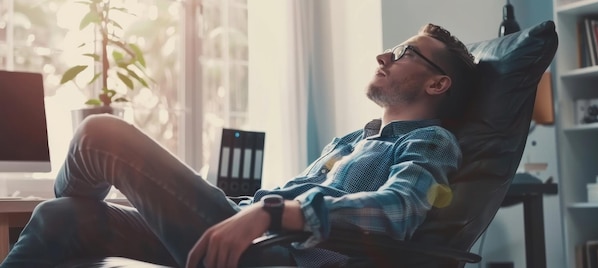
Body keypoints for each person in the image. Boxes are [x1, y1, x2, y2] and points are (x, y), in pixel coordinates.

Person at [0, 22, 476, 268]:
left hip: (278, 257)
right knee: (60, 217)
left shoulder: (430, 141)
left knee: (98, 134)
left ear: (438, 85)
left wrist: (270, 212)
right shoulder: (354, 139)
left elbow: (398, 211)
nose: (384, 55)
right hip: (249, 232)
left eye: (405, 53)